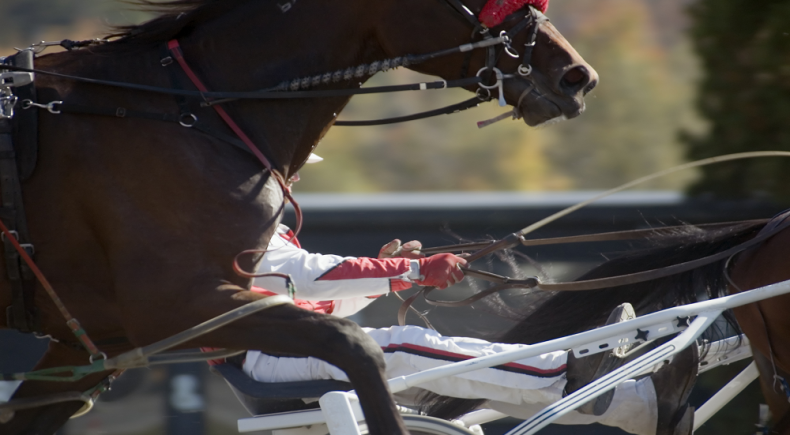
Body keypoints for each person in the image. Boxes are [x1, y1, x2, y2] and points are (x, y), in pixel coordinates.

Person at [243, 155, 698, 435]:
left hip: (292, 350)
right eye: (291, 167)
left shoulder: (259, 227)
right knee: (401, 345)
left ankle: (638, 409)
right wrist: (414, 269)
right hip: (270, 359)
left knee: (472, 384)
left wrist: (399, 278)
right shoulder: (242, 226)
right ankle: (565, 369)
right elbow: (309, 275)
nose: (296, 177)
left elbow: (318, 300)